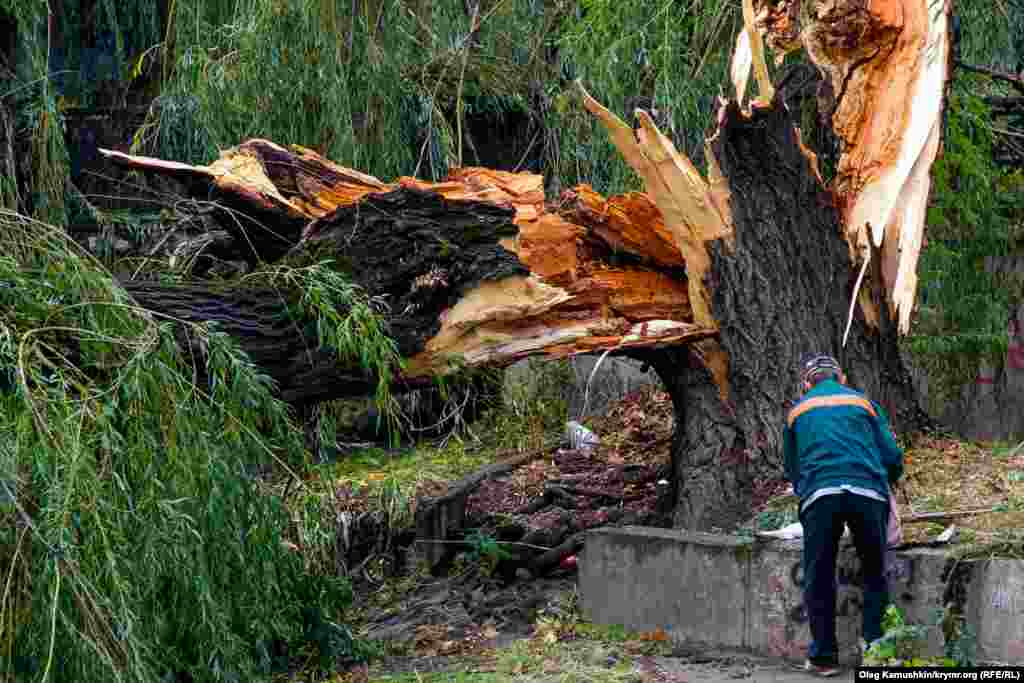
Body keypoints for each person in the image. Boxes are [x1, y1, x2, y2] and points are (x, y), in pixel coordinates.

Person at [783, 353, 904, 676]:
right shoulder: (863, 403)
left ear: (807, 383)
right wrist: (890, 478)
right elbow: (892, 455)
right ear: (842, 378)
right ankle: (875, 652)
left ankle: (823, 658)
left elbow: (793, 470)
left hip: (820, 494)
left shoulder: (797, 411)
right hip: (867, 492)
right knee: (875, 570)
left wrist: (809, 489)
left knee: (818, 573)